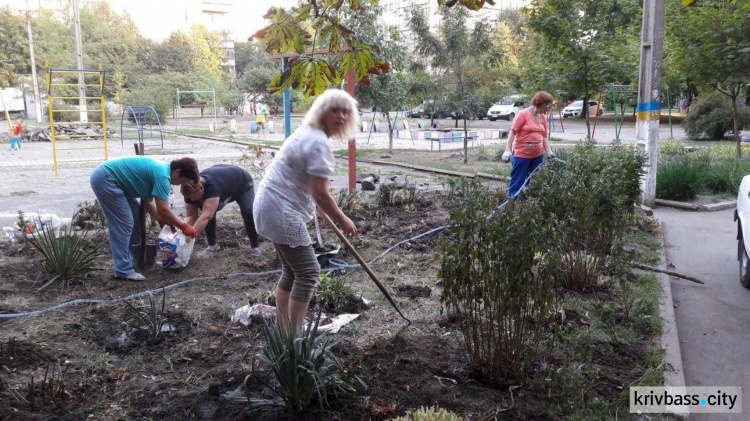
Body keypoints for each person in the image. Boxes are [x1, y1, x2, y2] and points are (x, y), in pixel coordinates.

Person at [253, 89, 359, 335]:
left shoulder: (307, 134)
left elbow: (312, 189)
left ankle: (285, 332)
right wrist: (343, 219)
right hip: (281, 210)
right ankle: (295, 338)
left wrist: (321, 206)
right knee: (309, 272)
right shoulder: (317, 142)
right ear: (322, 111)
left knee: (292, 271)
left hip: (270, 205)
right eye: (335, 110)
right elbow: (320, 193)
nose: (341, 116)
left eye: (346, 111)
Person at [90, 156, 200, 281]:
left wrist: (162, 221)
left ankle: (134, 260)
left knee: (136, 217)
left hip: (115, 182)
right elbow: (163, 209)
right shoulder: (163, 176)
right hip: (106, 179)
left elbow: (148, 202)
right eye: (183, 181)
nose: (181, 184)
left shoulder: (162, 171)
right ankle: (123, 270)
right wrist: (185, 227)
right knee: (124, 224)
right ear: (177, 172)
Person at [180, 164, 262, 257]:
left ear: (202, 189)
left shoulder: (212, 187)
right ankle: (212, 246)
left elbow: (205, 217)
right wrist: (182, 234)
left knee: (247, 211)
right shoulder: (188, 192)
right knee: (206, 209)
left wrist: (189, 237)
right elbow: (190, 216)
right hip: (223, 180)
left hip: (242, 182)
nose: (192, 200)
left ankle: (255, 246)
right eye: (189, 198)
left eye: (194, 197)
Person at [501, 91, 556, 197]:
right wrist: (508, 150)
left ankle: (528, 207)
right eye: (546, 104)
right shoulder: (523, 114)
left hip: (538, 156)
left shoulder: (543, 117)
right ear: (539, 103)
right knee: (517, 182)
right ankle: (511, 206)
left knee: (534, 182)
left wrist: (549, 151)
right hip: (522, 155)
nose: (548, 108)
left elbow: (544, 136)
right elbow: (512, 133)